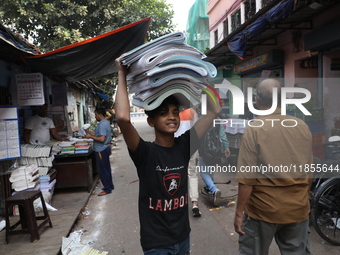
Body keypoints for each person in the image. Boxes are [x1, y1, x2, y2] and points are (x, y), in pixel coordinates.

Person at [115, 55, 221, 254]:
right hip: (156, 244)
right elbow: (122, 118)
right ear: (151, 121)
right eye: (163, 112)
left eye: (174, 111)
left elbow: (214, 110)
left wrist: (197, 76)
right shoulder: (145, 153)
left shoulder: (184, 145)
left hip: (183, 239)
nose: (172, 116)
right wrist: (121, 73)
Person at [233, 78, 313, 255]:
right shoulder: (302, 127)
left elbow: (247, 179)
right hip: (296, 209)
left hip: (263, 211)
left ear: (257, 101)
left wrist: (239, 212)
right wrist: (306, 199)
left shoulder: (255, 129)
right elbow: (308, 171)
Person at [174, 107, 201, 217]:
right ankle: (194, 203)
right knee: (192, 174)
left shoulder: (172, 112)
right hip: (191, 146)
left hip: (176, 146)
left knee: (177, 174)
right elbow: (198, 129)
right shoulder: (192, 112)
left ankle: (178, 203)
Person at [199, 122, 230, 206]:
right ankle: (210, 187)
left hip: (203, 149)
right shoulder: (218, 120)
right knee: (210, 168)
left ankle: (213, 189)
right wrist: (226, 148)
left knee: (203, 172)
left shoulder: (202, 119)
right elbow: (223, 136)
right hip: (215, 149)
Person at [85, 107, 114, 196]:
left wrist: (90, 137)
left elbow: (101, 138)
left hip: (101, 149)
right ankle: (110, 185)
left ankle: (107, 189)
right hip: (104, 148)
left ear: (100, 115)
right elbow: (98, 134)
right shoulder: (105, 122)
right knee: (106, 168)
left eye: (96, 115)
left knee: (103, 170)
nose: (95, 116)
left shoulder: (102, 124)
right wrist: (88, 132)